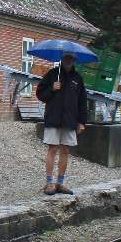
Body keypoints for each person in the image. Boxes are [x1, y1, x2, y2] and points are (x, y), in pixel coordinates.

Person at [36, 53, 88, 194]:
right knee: (52, 149)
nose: (68, 60)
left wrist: (82, 121)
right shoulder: (52, 74)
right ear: (62, 59)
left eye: (71, 58)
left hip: (70, 120)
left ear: (74, 60)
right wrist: (52, 89)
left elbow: (82, 102)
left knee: (65, 151)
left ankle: (60, 183)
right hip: (54, 118)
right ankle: (49, 183)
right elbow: (40, 94)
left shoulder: (78, 78)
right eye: (66, 58)